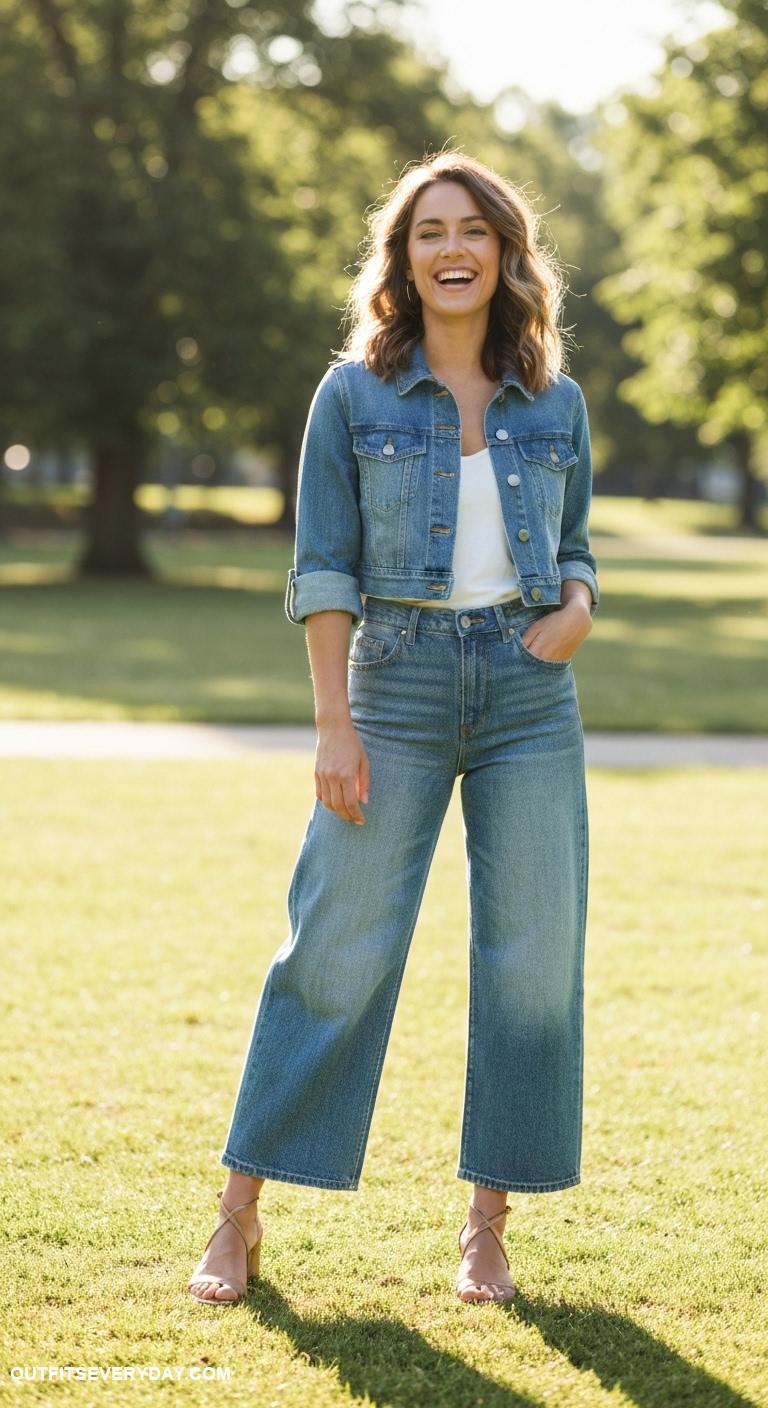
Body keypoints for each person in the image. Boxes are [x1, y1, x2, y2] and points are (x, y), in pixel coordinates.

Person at [188, 149, 599, 1307]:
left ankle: (486, 1225)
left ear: (506, 254)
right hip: (396, 686)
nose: (453, 249)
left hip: (529, 694)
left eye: (474, 230)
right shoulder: (352, 393)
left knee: (531, 959)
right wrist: (334, 724)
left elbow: (573, 545)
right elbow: (323, 567)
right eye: (430, 232)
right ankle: (237, 1216)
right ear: (403, 258)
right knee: (334, 946)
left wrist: (576, 608)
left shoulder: (552, 399)